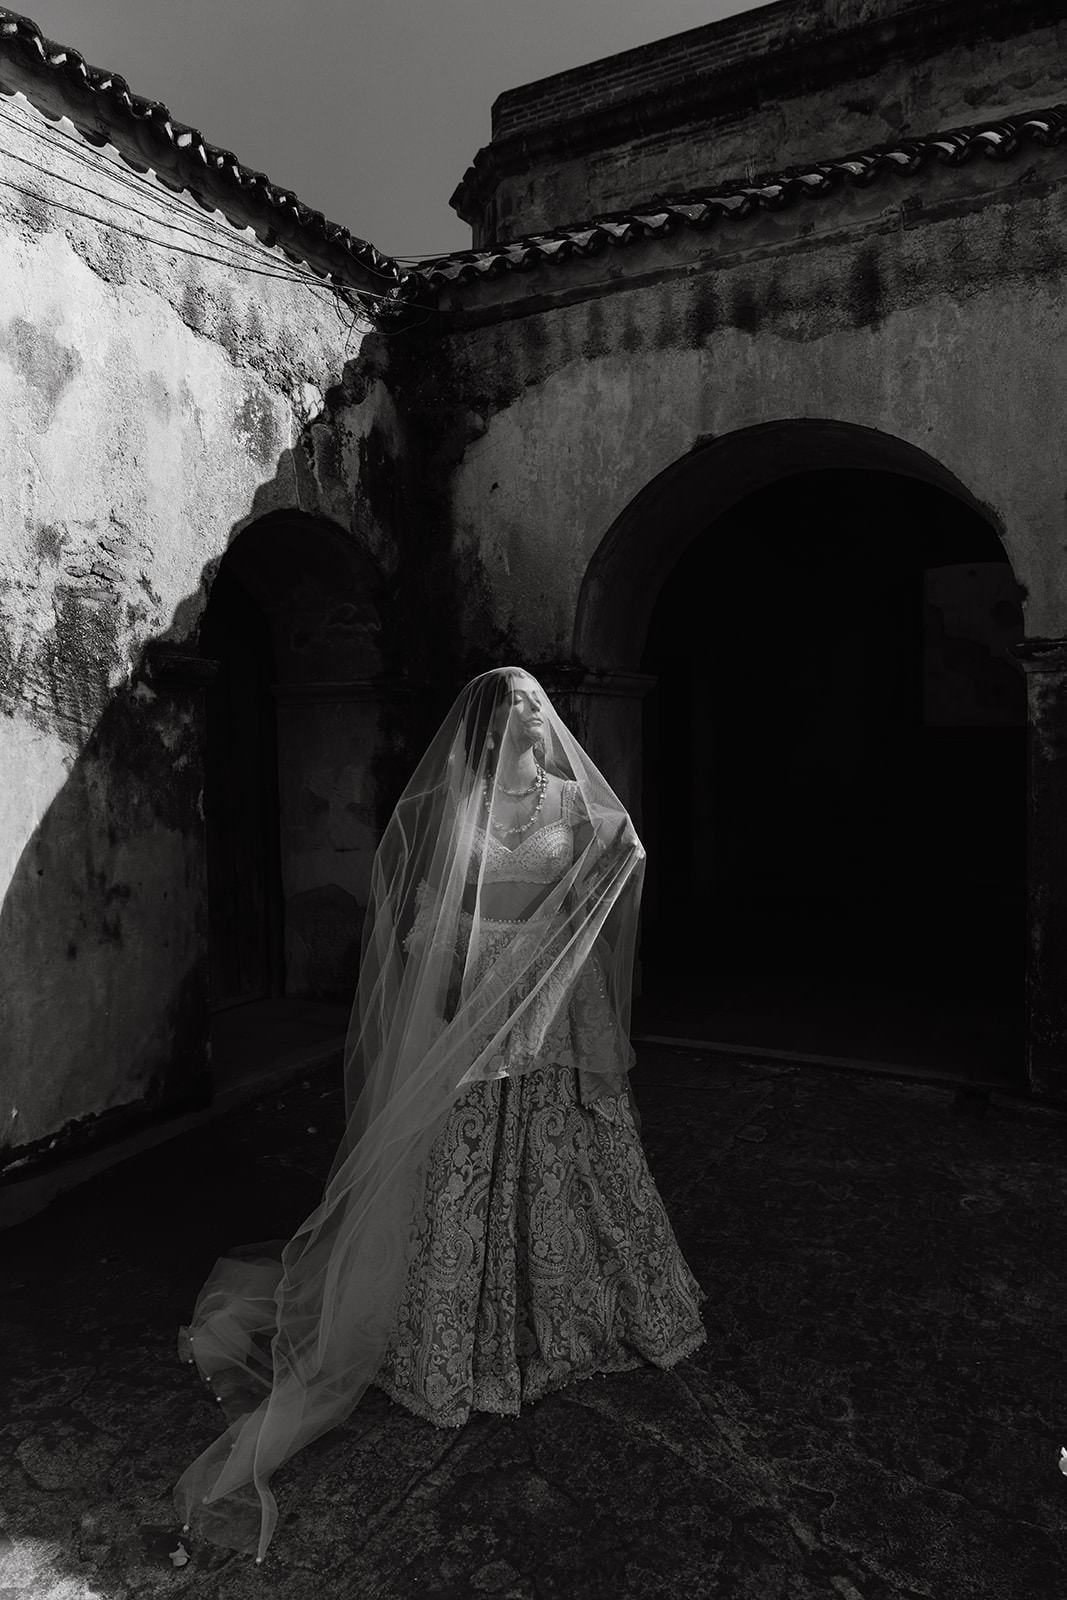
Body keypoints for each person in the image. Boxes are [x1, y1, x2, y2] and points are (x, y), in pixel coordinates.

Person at [175, 668, 705, 1562]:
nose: (535, 725)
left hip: (556, 1001)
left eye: (542, 713)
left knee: (567, 1156)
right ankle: (461, 1333)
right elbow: (429, 918)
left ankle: (577, 1313)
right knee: (464, 1168)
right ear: (489, 733)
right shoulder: (457, 809)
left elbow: (619, 859)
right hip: (474, 1005)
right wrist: (457, 997)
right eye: (519, 716)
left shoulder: (574, 803)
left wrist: (566, 935)